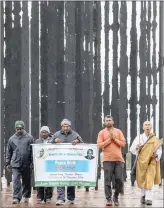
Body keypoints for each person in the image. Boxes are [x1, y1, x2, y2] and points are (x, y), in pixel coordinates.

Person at [130, 121, 162, 206]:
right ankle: (143, 195)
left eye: (149, 125)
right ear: (143, 127)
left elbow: (159, 150)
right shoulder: (139, 138)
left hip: (151, 162)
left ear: (151, 127)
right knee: (142, 179)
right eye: (146, 125)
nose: (147, 126)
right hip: (141, 162)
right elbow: (132, 149)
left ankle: (149, 198)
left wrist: (157, 155)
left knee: (149, 179)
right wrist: (137, 148)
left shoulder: (155, 139)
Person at [52, 119, 83, 205]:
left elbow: (82, 142)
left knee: (70, 180)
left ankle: (71, 198)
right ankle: (60, 198)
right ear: (61, 126)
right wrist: (54, 141)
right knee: (60, 179)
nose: (65, 128)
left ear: (70, 126)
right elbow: (49, 142)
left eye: (67, 126)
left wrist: (78, 141)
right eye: (64, 126)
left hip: (71, 162)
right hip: (60, 161)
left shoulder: (75, 134)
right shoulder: (56, 134)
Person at [97, 115, 126, 206]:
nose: (108, 122)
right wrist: (109, 139)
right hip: (107, 160)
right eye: (106, 120)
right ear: (104, 122)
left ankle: (116, 197)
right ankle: (108, 199)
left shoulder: (118, 131)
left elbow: (123, 143)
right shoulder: (101, 133)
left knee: (119, 180)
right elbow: (99, 145)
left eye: (110, 120)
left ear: (113, 122)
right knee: (107, 180)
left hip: (118, 160)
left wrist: (115, 139)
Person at [5, 121, 34, 204]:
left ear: (23, 128)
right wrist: (7, 163)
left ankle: (26, 196)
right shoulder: (11, 139)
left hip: (27, 163)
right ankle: (16, 197)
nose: (19, 130)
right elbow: (9, 152)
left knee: (26, 181)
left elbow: (32, 151)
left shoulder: (30, 138)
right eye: (17, 129)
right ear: (15, 129)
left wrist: (32, 162)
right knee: (16, 180)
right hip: (15, 163)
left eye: (21, 129)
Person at [35, 126, 54, 204]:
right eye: (42, 132)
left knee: (49, 180)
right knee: (40, 180)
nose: (44, 134)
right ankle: (40, 196)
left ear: (48, 133)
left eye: (45, 132)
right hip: (40, 164)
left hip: (50, 163)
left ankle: (48, 197)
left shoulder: (52, 140)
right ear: (40, 133)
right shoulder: (37, 141)